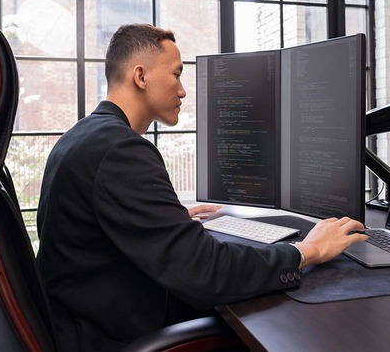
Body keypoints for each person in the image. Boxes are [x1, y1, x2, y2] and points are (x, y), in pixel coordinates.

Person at [36, 23, 367, 351]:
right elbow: (206, 272)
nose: (182, 91)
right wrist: (307, 251)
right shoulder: (119, 151)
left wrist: (167, 220)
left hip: (80, 323)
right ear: (141, 76)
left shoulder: (83, 136)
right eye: (177, 74)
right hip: (109, 338)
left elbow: (95, 232)